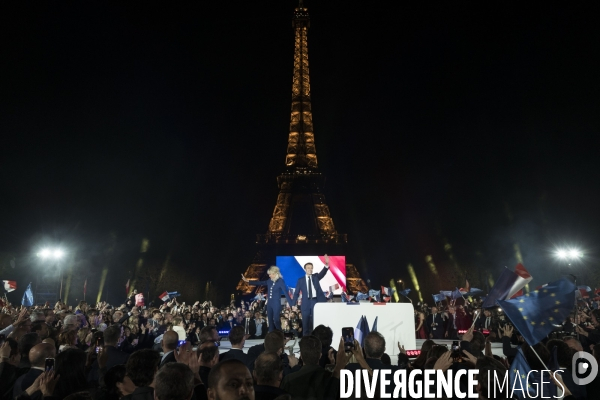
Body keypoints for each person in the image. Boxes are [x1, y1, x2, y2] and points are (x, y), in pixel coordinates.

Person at [242, 266, 293, 332]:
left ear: (274, 273)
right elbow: (260, 283)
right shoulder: (269, 281)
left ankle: (280, 334)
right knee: (270, 321)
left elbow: (286, 293)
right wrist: (248, 281)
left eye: (270, 274)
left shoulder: (280, 281)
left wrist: (291, 304)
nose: (269, 276)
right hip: (269, 303)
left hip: (276, 303)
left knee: (276, 320)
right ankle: (270, 336)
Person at [291, 255, 331, 335]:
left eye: (311, 267)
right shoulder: (300, 280)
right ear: (305, 269)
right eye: (308, 267)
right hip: (305, 303)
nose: (310, 269)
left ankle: (314, 342)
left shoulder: (315, 277)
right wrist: (293, 304)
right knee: (305, 324)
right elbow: (296, 293)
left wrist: (326, 265)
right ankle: (305, 343)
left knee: (314, 324)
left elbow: (322, 273)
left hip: (315, 302)